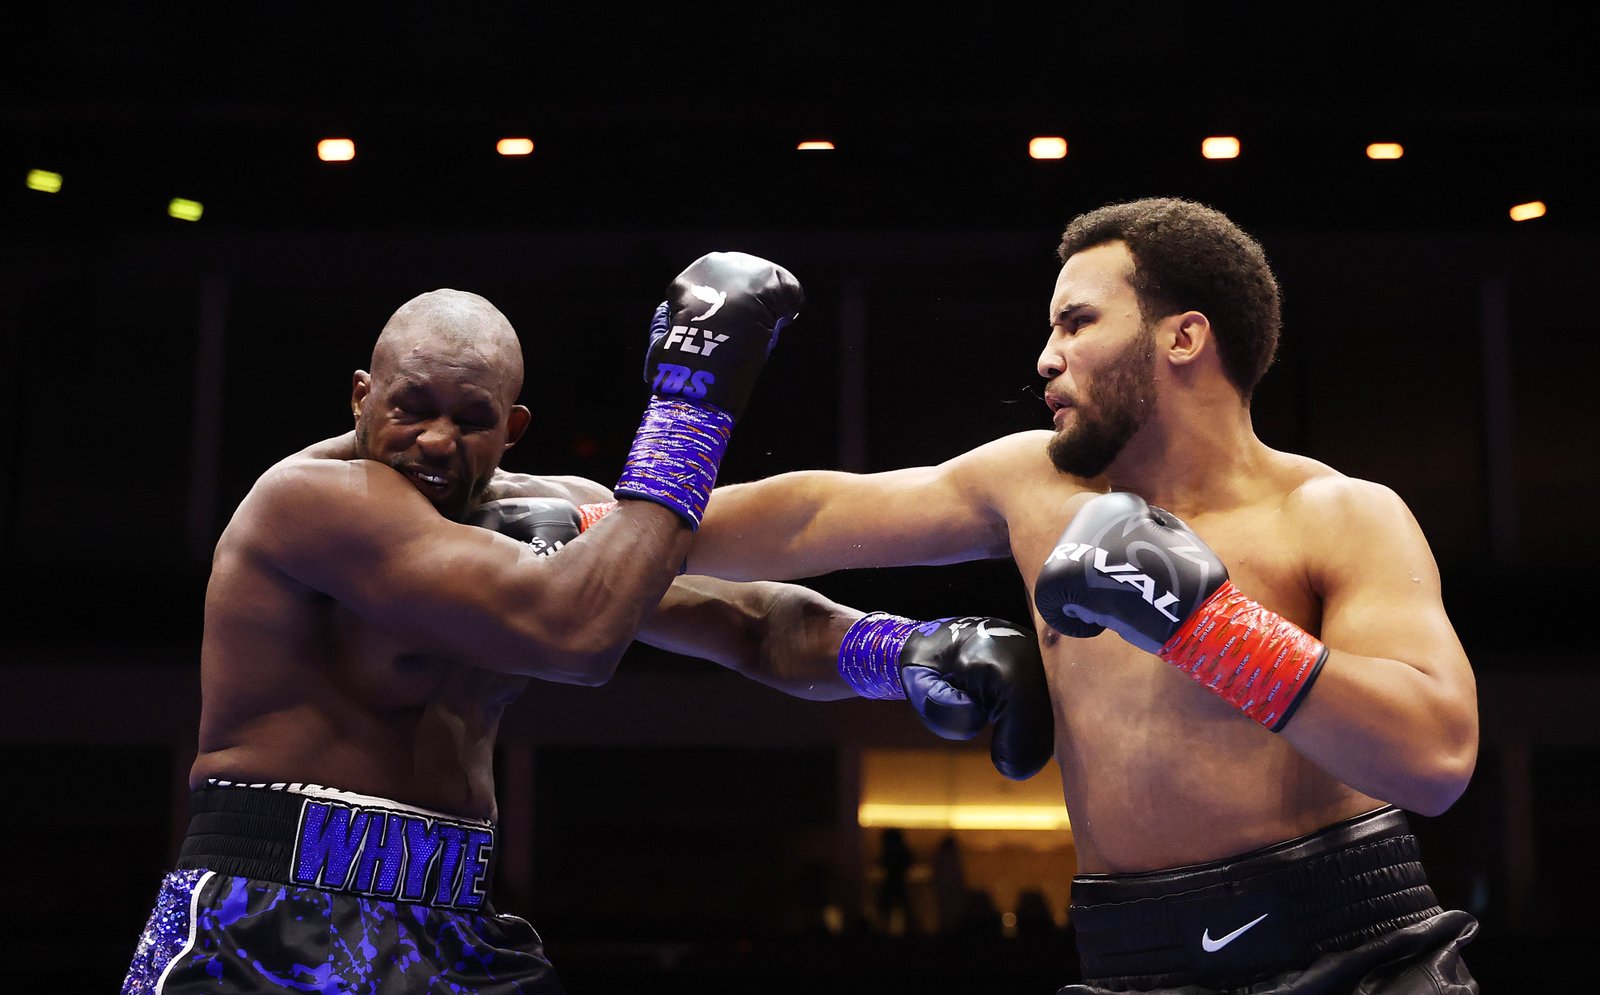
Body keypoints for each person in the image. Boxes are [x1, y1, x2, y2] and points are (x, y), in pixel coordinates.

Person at [120, 253, 1055, 995]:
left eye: (470, 418)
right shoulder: (310, 502)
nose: (436, 440)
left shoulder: (544, 510)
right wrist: (690, 405)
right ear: (362, 395)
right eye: (411, 408)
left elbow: (746, 621)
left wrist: (912, 649)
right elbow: (575, 634)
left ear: (513, 428)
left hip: (456, 915)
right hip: (271, 913)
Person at [687, 198, 1481, 993]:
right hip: (1130, 959)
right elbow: (814, 516)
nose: (1045, 356)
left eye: (1076, 323)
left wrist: (1210, 628)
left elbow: (1436, 757)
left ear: (1184, 336)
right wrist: (593, 525)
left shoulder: (1336, 514)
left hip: (1350, 956)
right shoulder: (1036, 483)